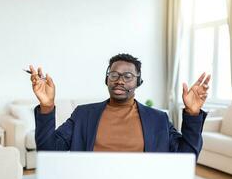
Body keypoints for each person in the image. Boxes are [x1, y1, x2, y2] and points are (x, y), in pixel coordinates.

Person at [30, 53, 210, 158]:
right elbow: (49, 152)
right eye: (114, 74)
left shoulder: (158, 119)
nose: (120, 81)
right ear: (107, 78)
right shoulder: (83, 114)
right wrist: (47, 106)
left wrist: (192, 114)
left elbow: (187, 157)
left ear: (138, 81)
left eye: (128, 76)